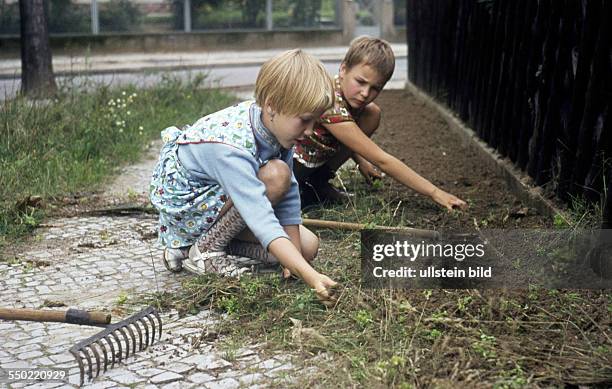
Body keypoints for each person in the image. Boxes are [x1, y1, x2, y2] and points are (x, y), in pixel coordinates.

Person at [149, 49, 338, 305]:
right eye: (305, 120)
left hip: (220, 201)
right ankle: (205, 250)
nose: (310, 131)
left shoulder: (278, 125)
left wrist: (295, 264)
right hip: (189, 204)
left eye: (315, 121)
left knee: (307, 248)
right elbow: (261, 217)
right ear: (272, 105)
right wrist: (312, 278)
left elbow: (290, 196)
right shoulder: (231, 149)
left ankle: (185, 249)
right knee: (275, 176)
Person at [293, 36, 467, 211]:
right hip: (288, 169)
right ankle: (301, 190)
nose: (365, 93)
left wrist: (360, 160)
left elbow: (347, 133)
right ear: (343, 69)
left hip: (312, 160)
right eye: (360, 82)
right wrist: (435, 192)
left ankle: (317, 184)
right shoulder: (328, 102)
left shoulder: (348, 95)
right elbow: (382, 160)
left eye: (375, 88)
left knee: (372, 113)